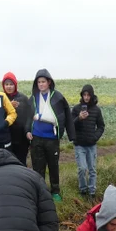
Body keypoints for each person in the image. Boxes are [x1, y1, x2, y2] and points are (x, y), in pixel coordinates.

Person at [27, 69, 75, 202]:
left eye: (43, 82)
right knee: (38, 167)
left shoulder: (58, 97)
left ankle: (55, 191)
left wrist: (72, 134)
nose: (41, 84)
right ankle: (41, 192)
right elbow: (28, 117)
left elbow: (66, 115)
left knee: (53, 166)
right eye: (38, 82)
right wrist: (27, 131)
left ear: (49, 82)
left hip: (52, 139)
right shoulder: (33, 98)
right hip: (36, 138)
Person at [71, 84, 106, 199]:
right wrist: (79, 118)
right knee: (82, 168)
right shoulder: (76, 109)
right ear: (82, 95)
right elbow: (70, 125)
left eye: (88, 95)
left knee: (92, 169)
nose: (86, 97)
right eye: (84, 95)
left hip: (91, 144)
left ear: (92, 96)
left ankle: (92, 192)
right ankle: (83, 190)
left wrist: (95, 137)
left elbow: (101, 126)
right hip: (79, 144)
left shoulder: (96, 110)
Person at [2, 73, 32, 165]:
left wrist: (27, 131)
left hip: (21, 138)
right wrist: (8, 106)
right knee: (8, 163)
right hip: (6, 137)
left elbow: (29, 116)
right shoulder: (0, 98)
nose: (9, 87)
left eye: (11, 84)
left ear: (15, 85)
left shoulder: (23, 98)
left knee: (21, 162)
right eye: (6, 84)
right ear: (3, 86)